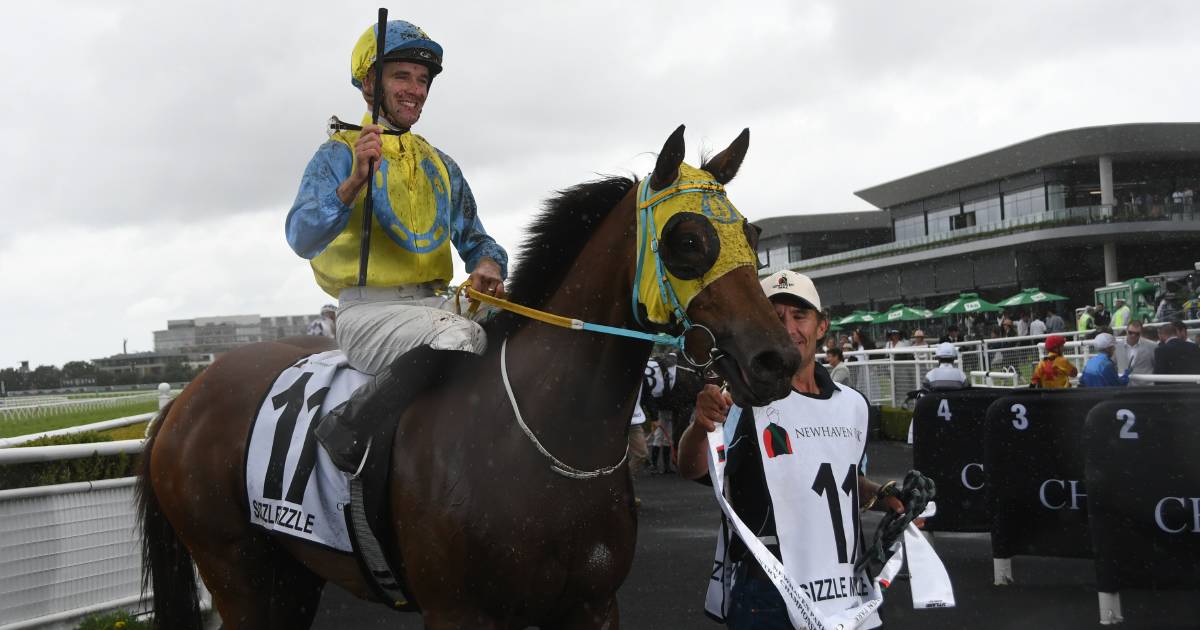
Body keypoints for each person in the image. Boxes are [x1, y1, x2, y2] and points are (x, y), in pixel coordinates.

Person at [286, 19, 509, 471]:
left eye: (423, 80)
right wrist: (352, 185)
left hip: (439, 304)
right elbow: (300, 236)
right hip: (368, 313)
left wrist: (489, 265)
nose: (416, 90)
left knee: (530, 331)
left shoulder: (441, 164)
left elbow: (477, 238)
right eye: (401, 76)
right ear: (370, 83)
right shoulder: (337, 154)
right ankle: (348, 424)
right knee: (459, 337)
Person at [677, 270, 910, 629]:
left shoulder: (854, 405)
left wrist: (886, 496)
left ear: (821, 326)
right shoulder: (741, 398)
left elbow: (846, 482)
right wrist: (700, 426)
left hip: (845, 591)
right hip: (769, 590)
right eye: (776, 317)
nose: (789, 329)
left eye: (800, 316)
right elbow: (692, 468)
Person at [1120, 320, 1156, 386]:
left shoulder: (1152, 346)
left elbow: (1155, 365)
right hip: (1124, 387)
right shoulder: (1117, 346)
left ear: (1141, 333)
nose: (1133, 335)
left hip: (1145, 387)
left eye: (1137, 334)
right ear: (1126, 330)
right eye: (1130, 332)